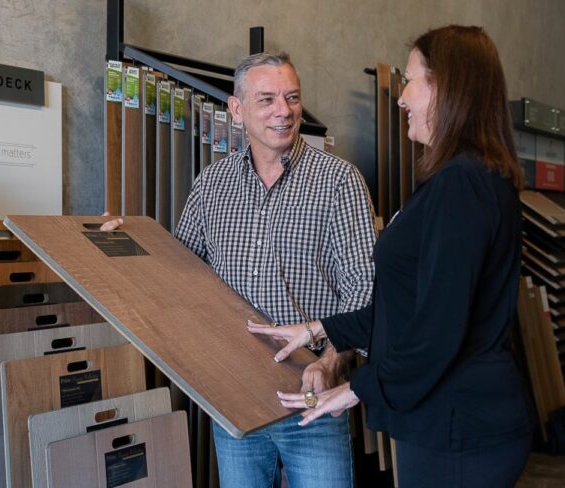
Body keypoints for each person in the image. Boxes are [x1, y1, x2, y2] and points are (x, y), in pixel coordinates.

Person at [248, 25, 533, 487]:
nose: (401, 98)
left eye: (412, 80)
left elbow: (437, 330)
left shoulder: (462, 185)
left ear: (447, 87)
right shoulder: (467, 179)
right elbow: (409, 305)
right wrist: (318, 328)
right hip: (454, 423)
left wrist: (353, 391)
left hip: (457, 430)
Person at [103, 52, 377, 487]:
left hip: (313, 397)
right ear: (237, 109)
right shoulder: (212, 185)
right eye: (267, 99)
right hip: (233, 396)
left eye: (291, 98)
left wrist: (330, 363)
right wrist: (127, 242)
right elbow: (179, 273)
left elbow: (364, 293)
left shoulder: (339, 182)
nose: (283, 111)